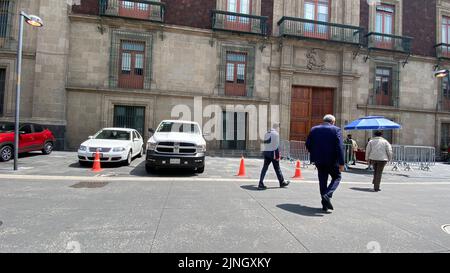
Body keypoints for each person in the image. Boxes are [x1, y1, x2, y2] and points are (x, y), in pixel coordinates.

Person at [305, 114, 345, 212]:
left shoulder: (314, 129)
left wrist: (314, 153)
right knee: (337, 177)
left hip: (318, 160)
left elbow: (307, 144)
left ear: (324, 120)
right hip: (332, 161)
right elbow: (340, 147)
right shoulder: (336, 130)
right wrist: (342, 163)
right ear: (332, 122)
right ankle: (327, 195)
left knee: (322, 180)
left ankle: (325, 205)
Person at [258, 123, 290, 190]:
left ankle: (260, 183)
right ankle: (282, 182)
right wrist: (278, 155)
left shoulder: (267, 133)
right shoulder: (276, 134)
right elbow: (276, 145)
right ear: (277, 128)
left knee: (264, 168)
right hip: (273, 153)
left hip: (267, 153)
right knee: (277, 168)